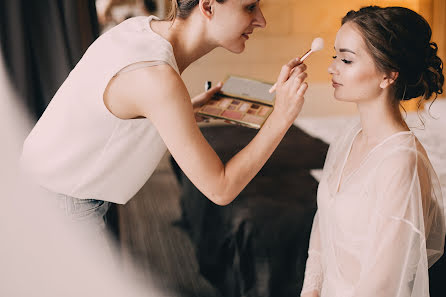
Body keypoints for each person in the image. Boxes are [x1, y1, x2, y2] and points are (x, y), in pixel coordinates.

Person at [20, 0, 308, 233]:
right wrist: (281, 116)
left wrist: (188, 109)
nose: (261, 20)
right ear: (208, 7)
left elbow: (122, 111)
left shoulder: (137, 29)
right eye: (249, 7)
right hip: (59, 208)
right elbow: (221, 188)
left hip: (39, 189)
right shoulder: (158, 78)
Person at [300, 6, 445, 297]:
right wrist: (310, 291)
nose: (332, 68)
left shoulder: (401, 162)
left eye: (346, 59)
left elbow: (384, 283)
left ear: (388, 76)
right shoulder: (350, 135)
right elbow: (322, 229)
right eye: (334, 56)